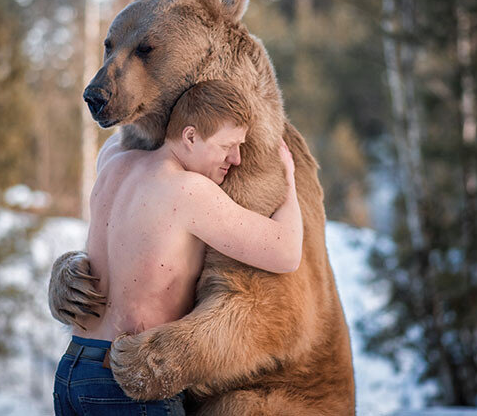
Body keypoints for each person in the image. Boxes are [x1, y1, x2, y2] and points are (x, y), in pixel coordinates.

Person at [52, 80, 303, 416]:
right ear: (189, 137)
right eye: (227, 145)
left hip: (73, 369)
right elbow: (286, 252)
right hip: (129, 381)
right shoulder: (188, 191)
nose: (237, 158)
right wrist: (289, 180)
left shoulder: (112, 162)